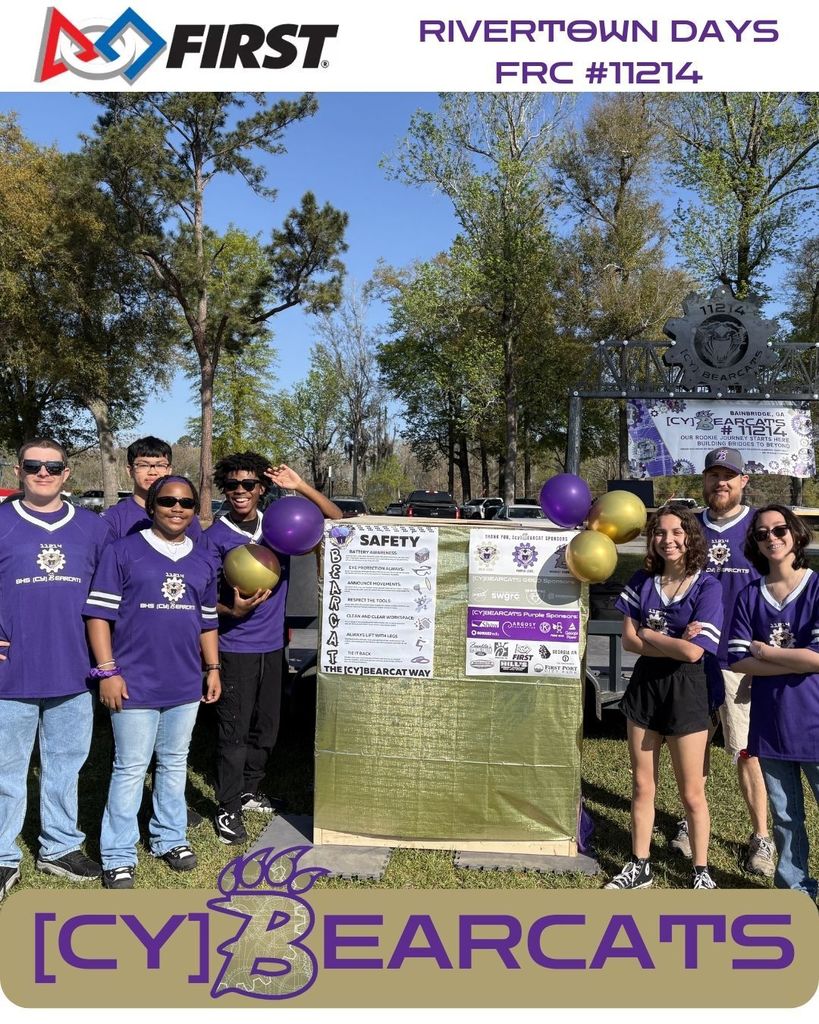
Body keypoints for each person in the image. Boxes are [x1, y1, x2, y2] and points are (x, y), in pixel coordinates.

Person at [84, 476, 220, 889]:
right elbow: (98, 617)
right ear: (151, 506)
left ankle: (169, 837)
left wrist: (212, 668)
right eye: (167, 501)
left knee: (175, 762)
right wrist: (107, 671)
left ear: (195, 509)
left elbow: (208, 621)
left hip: (183, 683)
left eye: (186, 502)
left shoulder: (202, 560)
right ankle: (119, 853)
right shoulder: (122, 552)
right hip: (133, 683)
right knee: (130, 767)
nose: (176, 508)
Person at [202, 454, 340, 845]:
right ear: (224, 490)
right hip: (233, 646)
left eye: (248, 484)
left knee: (268, 726)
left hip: (273, 644)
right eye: (232, 485)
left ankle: (249, 790)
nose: (240, 492)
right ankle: (227, 806)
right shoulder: (214, 537)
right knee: (234, 730)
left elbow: (336, 524)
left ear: (262, 488)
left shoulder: (279, 524)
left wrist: (301, 488)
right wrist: (232, 608)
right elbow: (197, 600)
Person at [0, 438, 111, 902]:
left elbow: (112, 594)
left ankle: (59, 845)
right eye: (33, 466)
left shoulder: (92, 528)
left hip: (73, 671)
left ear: (68, 473)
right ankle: (3, 855)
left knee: (65, 766)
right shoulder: (2, 522)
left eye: (53, 466)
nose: (42, 473)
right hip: (11, 675)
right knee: (6, 770)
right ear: (19, 471)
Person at [668, 447, 774, 878]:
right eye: (713, 475)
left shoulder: (761, 527)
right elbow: (670, 578)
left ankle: (761, 837)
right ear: (705, 481)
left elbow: (778, 582)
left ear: (744, 480)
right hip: (695, 657)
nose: (720, 483)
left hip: (739, 658)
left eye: (729, 475)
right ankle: (688, 822)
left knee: (745, 751)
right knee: (692, 746)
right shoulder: (690, 527)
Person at [606, 505, 723, 890]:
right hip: (645, 689)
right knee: (642, 785)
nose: (667, 539)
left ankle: (701, 873)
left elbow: (694, 653)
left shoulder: (708, 586)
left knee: (691, 791)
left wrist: (652, 636)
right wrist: (673, 640)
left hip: (688, 691)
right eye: (659, 532)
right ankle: (640, 865)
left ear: (690, 536)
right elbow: (628, 639)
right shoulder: (642, 579)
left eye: (676, 532)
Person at [726, 504, 819, 898]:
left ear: (796, 534)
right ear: (755, 544)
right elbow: (736, 657)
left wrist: (765, 653)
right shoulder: (750, 594)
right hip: (771, 722)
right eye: (762, 534)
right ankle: (796, 888)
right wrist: (791, 660)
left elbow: (817, 658)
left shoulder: (816, 588)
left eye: (779, 529)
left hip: (814, 720)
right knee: (784, 816)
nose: (772, 538)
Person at [102, 436, 203, 542]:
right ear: (130, 470)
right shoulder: (113, 518)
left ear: (169, 470)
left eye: (160, 465)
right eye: (143, 465)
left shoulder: (182, 514)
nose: (152, 472)